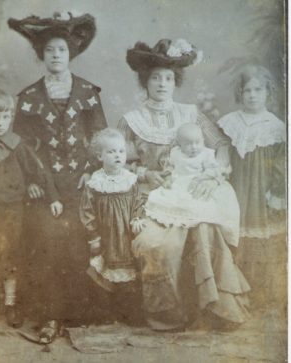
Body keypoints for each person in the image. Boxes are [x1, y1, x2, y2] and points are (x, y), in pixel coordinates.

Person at [118, 38, 249, 331]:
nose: (162, 84)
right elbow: (119, 163)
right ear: (145, 81)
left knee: (206, 229)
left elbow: (221, 145)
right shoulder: (132, 120)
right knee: (157, 244)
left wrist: (212, 175)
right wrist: (145, 175)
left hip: (192, 189)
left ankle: (217, 308)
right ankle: (168, 315)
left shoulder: (191, 114)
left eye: (168, 78)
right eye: (155, 78)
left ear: (175, 82)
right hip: (151, 195)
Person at [8, 11, 107, 342]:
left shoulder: (88, 93)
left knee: (81, 242)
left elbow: (101, 139)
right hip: (43, 187)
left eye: (61, 50)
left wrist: (92, 172)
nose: (55, 55)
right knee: (47, 243)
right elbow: (20, 147)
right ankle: (49, 315)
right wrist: (33, 182)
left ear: (71, 53)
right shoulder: (28, 99)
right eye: (49, 50)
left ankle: (78, 313)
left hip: (81, 182)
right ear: (41, 54)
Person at [0, 89, 59, 331]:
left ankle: (11, 305)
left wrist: (51, 196)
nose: (0, 123)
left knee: (12, 257)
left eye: (5, 117)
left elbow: (38, 171)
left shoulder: (16, 144)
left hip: (12, 212)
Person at [217, 65, 286, 306]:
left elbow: (281, 165)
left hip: (260, 191)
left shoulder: (276, 127)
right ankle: (233, 292)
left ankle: (259, 295)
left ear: (268, 92)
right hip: (235, 188)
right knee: (233, 233)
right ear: (240, 93)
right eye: (247, 90)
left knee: (259, 236)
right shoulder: (229, 123)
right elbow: (221, 156)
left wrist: (276, 193)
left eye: (258, 90)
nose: (252, 95)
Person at [80, 128, 145, 323]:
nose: (117, 156)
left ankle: (129, 313)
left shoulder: (130, 180)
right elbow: (86, 211)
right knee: (104, 271)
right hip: (106, 235)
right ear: (99, 156)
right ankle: (106, 313)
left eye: (121, 151)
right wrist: (94, 236)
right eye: (111, 152)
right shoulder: (95, 183)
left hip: (126, 234)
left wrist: (137, 218)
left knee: (129, 272)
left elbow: (138, 202)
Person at [145, 123, 240, 247]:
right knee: (169, 201)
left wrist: (205, 177)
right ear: (180, 144)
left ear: (203, 140)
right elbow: (170, 168)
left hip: (198, 183)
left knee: (200, 203)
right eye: (188, 144)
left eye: (197, 142)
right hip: (179, 184)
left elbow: (213, 170)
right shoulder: (175, 153)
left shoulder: (206, 154)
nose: (194, 147)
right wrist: (168, 178)